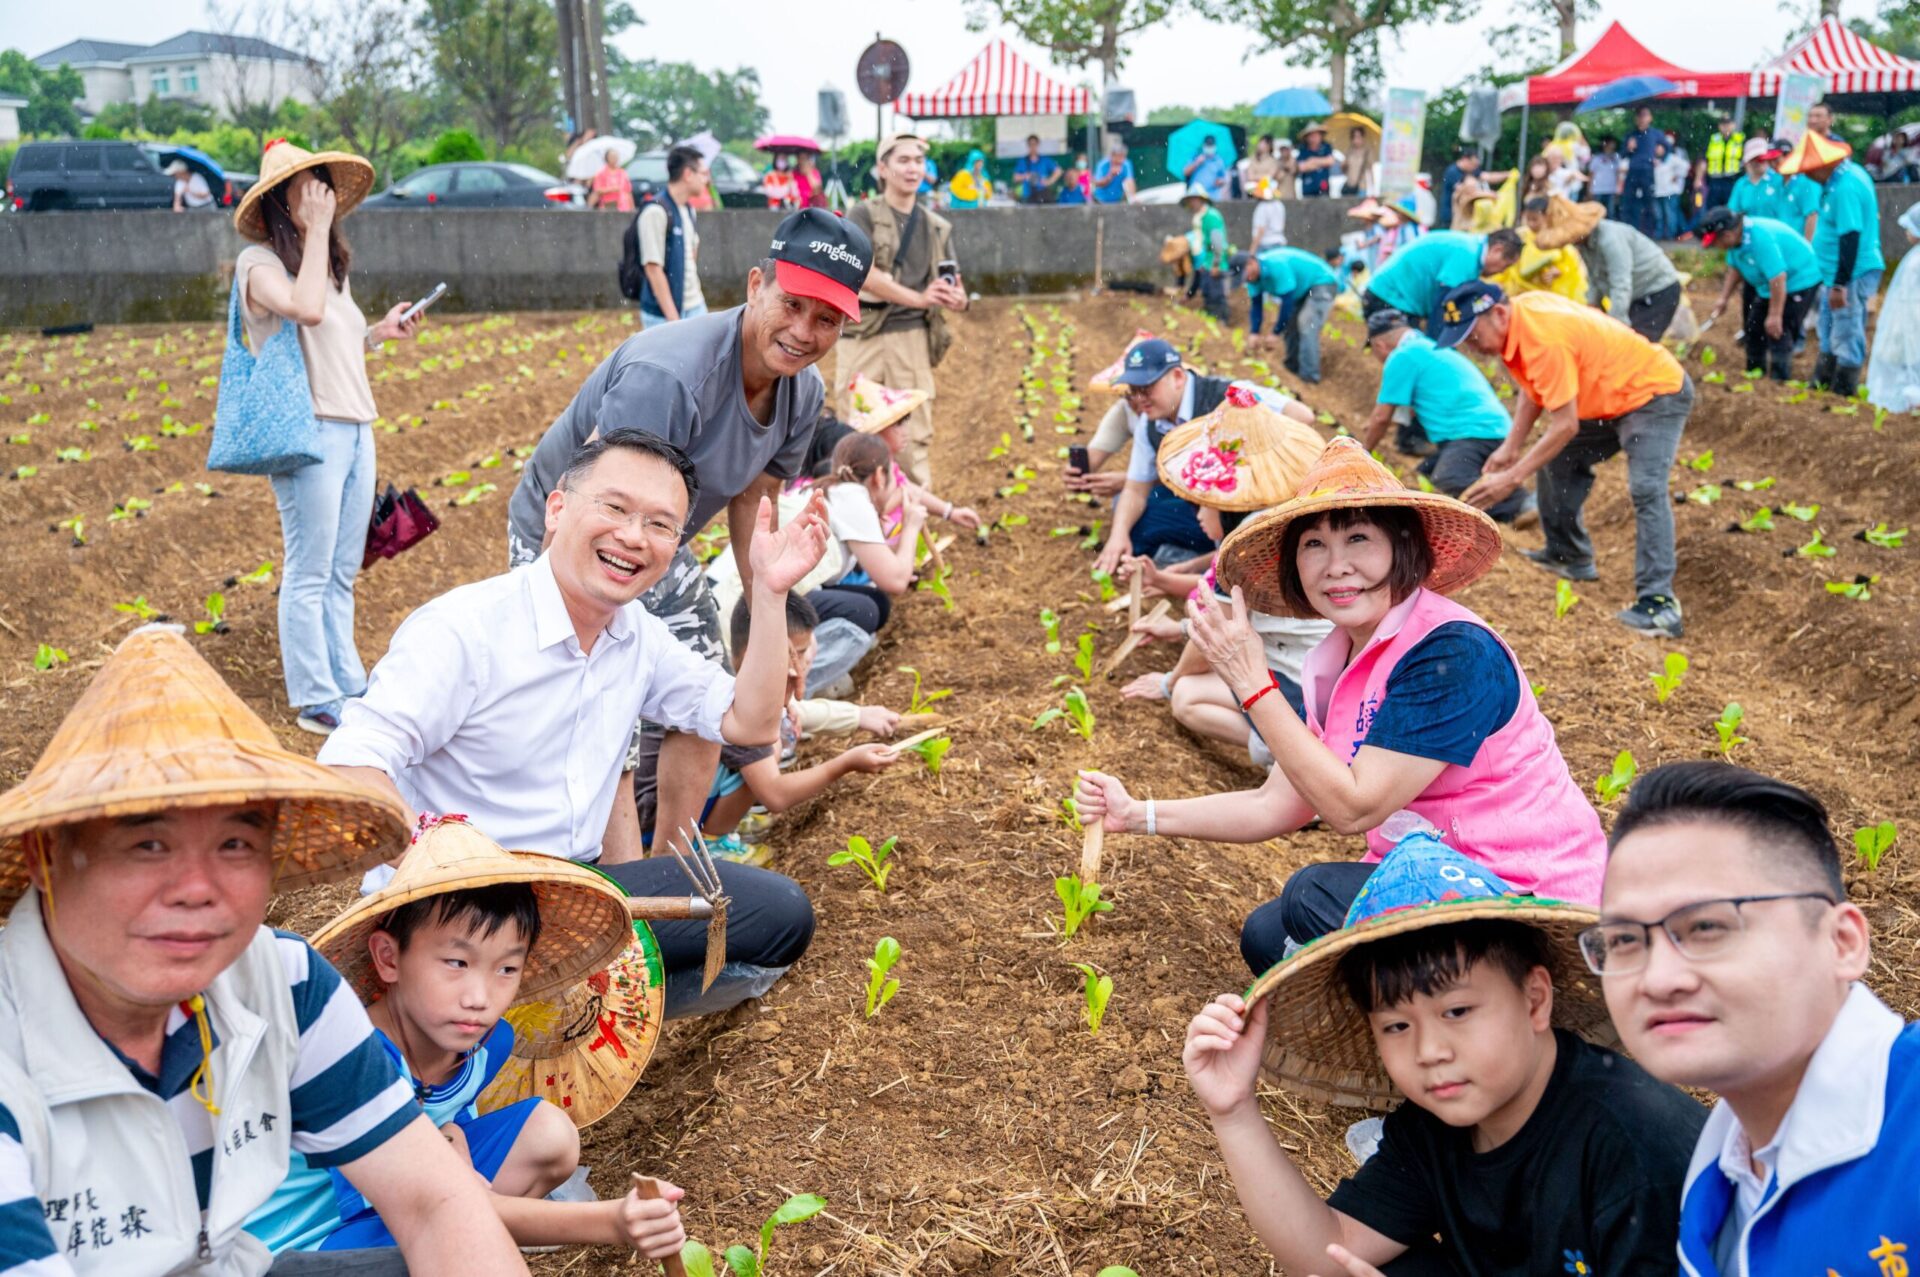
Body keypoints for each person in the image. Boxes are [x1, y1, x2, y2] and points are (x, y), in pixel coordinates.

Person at [0, 625, 526, 1276]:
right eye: (147, 844)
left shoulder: (285, 982)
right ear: (46, 857)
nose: (197, 889)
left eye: (236, 844)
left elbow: (436, 1200)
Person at [325, 429, 829, 1016]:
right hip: (455, 907)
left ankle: (597, 1017)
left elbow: (748, 721)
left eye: (661, 524)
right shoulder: (465, 629)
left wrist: (769, 594)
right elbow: (350, 761)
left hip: (575, 897)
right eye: (614, 508)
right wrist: (442, 869)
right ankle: (508, 1008)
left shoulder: (636, 634)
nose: (633, 537)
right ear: (557, 509)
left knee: (779, 915)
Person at [1078, 436, 1607, 960]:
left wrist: (1252, 681)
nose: (1336, 566)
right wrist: (1135, 814)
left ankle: (1501, 1011)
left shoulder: (1452, 651)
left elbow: (1355, 807)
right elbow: (1274, 805)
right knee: (1267, 933)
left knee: (1313, 897)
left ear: (1405, 550)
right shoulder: (1338, 661)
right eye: (1314, 545)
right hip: (1434, 881)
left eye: (1358, 539)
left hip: (1527, 900)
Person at [505, 209, 871, 861]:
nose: (803, 331)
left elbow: (754, 500)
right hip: (568, 523)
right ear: (756, 284)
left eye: (827, 320)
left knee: (705, 675)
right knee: (591, 680)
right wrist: (609, 625)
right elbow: (596, 508)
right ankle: (608, 868)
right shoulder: (671, 375)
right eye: (791, 304)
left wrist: (772, 625)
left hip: (657, 534)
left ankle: (672, 857)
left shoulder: (800, 392)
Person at [1184, 834, 1705, 1276]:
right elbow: (1329, 1250)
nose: (1429, 1051)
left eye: (1457, 1012)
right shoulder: (1438, 1126)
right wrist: (1233, 1112)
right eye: (1396, 1025)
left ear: (1535, 999)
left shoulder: (1637, 1156)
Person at [249, 815, 686, 1261]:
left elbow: (448, 1158)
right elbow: (426, 1206)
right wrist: (613, 1221)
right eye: (456, 963)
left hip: (403, 1204)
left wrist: (453, 1133)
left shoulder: (487, 1043)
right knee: (446, 1231)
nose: (479, 998)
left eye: (506, 969)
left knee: (550, 1136)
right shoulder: (354, 1058)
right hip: (310, 1247)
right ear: (388, 958)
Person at [1588, 761, 1916, 1272]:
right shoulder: (1715, 1177)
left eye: (1707, 927)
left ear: (1842, 942)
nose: (1658, 978)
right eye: (1625, 940)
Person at [230, 139, 423, 736]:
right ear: (278, 203)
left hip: (356, 425)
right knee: (309, 568)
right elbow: (305, 311)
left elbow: (333, 336)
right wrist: (314, 234)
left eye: (321, 182)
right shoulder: (258, 265)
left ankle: (350, 682)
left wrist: (380, 332)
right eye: (305, 184)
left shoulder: (330, 267)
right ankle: (316, 697)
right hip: (308, 432)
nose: (319, 193)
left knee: (342, 568)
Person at [1441, 281, 1694, 639]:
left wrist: (1512, 477)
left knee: (1646, 488)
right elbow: (1534, 390)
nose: (1471, 346)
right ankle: (1569, 556)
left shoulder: (1542, 336)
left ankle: (1660, 604)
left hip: (1653, 394)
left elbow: (1564, 425)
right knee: (1556, 461)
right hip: (1607, 399)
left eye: (1472, 334)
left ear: (1497, 313)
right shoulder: (1518, 320)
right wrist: (1511, 447)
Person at [1118, 389, 1331, 757]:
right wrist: (1176, 627)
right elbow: (1238, 609)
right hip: (1332, 678)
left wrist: (1168, 682)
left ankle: (1283, 756)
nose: (1199, 516)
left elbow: (1217, 635)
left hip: (1298, 683)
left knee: (1186, 696)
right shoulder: (1280, 518)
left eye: (1204, 505)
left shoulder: (1242, 543)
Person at [699, 594, 905, 843]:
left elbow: (803, 712)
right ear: (750, 654)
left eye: (806, 650)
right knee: (769, 743)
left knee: (775, 734)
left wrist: (857, 716)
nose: (803, 662)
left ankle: (720, 821)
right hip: (666, 817)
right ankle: (711, 840)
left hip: (678, 798)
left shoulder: (740, 681)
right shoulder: (741, 705)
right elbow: (775, 797)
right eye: (796, 653)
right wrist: (845, 764)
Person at [842, 131, 968, 488]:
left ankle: (912, 532)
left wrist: (959, 299)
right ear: (882, 168)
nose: (912, 168)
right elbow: (860, 271)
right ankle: (858, 532)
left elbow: (953, 279)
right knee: (854, 434)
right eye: (903, 160)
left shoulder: (935, 226)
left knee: (912, 442)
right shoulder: (862, 215)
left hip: (911, 340)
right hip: (860, 336)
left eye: (918, 161)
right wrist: (917, 298)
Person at [1091, 340, 1277, 572]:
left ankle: (1217, 563)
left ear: (1177, 377)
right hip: (1201, 510)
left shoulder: (1228, 396)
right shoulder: (1150, 422)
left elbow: (1302, 415)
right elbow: (1135, 488)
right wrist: (1117, 537)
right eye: (1133, 391)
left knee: (1246, 550)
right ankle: (1208, 560)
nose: (1139, 399)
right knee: (1131, 524)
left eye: (1146, 388)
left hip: (1249, 510)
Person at [1359, 308, 1535, 525]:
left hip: (1472, 432)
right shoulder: (1427, 347)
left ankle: (1520, 503)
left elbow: (1381, 418)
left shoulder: (1401, 356)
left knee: (1447, 479)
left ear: (1380, 346)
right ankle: (1501, 502)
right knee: (1422, 476)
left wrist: (1362, 453)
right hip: (1492, 429)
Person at [1780, 130, 1884, 398]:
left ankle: (1844, 389)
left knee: (1846, 329)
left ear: (1824, 165)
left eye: (1810, 170)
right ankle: (1823, 381)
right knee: (1829, 325)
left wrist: (1840, 284)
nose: (1807, 175)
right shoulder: (1841, 179)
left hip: (1852, 273)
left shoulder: (1846, 187)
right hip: (1837, 273)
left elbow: (1850, 236)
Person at [844, 372, 981, 537]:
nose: (905, 432)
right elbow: (867, 513)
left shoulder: (888, 463)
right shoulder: (864, 470)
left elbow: (907, 487)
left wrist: (950, 512)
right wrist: (902, 495)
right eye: (898, 425)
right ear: (875, 433)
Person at [812, 433, 921, 636]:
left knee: (877, 602)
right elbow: (895, 581)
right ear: (879, 476)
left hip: (767, 595)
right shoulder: (853, 499)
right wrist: (911, 527)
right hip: (776, 603)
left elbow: (878, 559)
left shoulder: (834, 490)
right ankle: (811, 665)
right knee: (866, 611)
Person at [1532, 194, 1683, 340]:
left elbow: (1621, 284)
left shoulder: (1610, 240)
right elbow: (1595, 280)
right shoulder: (1584, 244)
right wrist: (1591, 310)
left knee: (1635, 346)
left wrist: (1614, 327)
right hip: (1637, 295)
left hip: (1659, 290)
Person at [1697, 208, 1821, 382]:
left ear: (1726, 235)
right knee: (1753, 328)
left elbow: (1778, 277)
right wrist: (1723, 298)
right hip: (1769, 285)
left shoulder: (1760, 238)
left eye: (1714, 242)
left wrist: (1775, 315)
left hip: (1799, 280)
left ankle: (1779, 382)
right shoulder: (1736, 243)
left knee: (1779, 330)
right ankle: (1755, 376)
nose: (1715, 247)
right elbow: (1735, 269)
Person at [1361, 228, 1524, 333]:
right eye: (1506, 265)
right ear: (1497, 249)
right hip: (1389, 298)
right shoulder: (1467, 254)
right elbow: (1443, 304)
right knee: (1414, 360)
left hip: (1395, 298)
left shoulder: (1471, 247)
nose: (1503, 271)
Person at [637, 144, 709, 329]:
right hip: (662, 315)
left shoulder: (689, 210)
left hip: (696, 305)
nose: (706, 180)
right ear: (688, 174)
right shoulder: (655, 211)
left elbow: (692, 254)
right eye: (703, 173)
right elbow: (653, 269)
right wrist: (674, 322)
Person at [1240, 247, 1339, 382]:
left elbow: (1287, 303)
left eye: (1247, 274)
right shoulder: (1252, 278)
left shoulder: (1276, 265)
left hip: (1321, 282)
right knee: (1291, 325)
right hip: (1301, 289)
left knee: (1307, 323)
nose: (1248, 279)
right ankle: (1292, 368)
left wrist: (1275, 333)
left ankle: (1310, 376)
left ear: (1251, 263)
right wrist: (1254, 332)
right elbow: (1256, 305)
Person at [1868, 201, 1920, 413]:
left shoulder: (1915, 262)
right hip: (1909, 317)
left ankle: (1910, 394)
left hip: (1909, 318)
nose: (1907, 232)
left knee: (1907, 355)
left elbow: (1908, 297)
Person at [1182, 183, 1231, 323]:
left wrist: (1216, 263)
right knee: (1208, 294)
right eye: (1190, 200)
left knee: (1216, 296)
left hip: (1215, 262)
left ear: (1200, 200)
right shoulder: (1200, 218)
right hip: (1208, 262)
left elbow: (1217, 241)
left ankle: (1222, 322)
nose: (1191, 203)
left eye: (1194, 199)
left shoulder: (1211, 216)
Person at [1621, 106, 1665, 236]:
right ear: (1636, 118)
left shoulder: (1656, 134)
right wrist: (1629, 148)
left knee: (1649, 203)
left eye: (1645, 115)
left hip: (1648, 171)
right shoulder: (1631, 135)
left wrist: (1660, 156)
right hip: (1633, 171)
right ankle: (1630, 231)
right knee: (1629, 202)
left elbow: (1668, 150)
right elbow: (1622, 154)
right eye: (1640, 116)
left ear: (1650, 118)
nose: (1642, 118)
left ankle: (1649, 233)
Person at [1728, 137, 1794, 223]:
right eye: (1753, 159)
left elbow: (1789, 211)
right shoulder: (1741, 184)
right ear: (1747, 162)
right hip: (1748, 233)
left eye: (1760, 158)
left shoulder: (1780, 180)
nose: (1758, 162)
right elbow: (1733, 212)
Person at [1705, 114, 1745, 210]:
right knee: (1713, 210)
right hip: (1715, 180)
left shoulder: (1740, 140)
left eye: (1728, 124)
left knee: (1731, 209)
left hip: (1732, 180)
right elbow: (1704, 159)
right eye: (1723, 124)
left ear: (1733, 125)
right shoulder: (1713, 139)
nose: (1725, 127)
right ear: (1719, 126)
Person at [1435, 146, 1479, 230]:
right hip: (1449, 217)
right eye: (1473, 164)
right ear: (1465, 159)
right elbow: (1463, 189)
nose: (1474, 167)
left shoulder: (1468, 172)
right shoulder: (1452, 172)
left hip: (1459, 219)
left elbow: (1485, 175)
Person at [1655, 141, 1690, 240]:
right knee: (1660, 215)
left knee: (1670, 214)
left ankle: (1671, 235)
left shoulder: (1671, 158)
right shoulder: (1655, 160)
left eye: (1659, 147)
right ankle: (1661, 234)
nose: (1657, 150)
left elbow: (1686, 166)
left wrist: (1677, 175)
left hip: (1670, 191)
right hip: (1658, 192)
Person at [1183, 134, 1231, 204]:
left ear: (1215, 146)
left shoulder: (1218, 160)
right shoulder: (1195, 157)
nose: (1209, 147)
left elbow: (1224, 179)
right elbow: (1185, 172)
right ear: (1203, 146)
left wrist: (1220, 181)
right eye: (1208, 145)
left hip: (1213, 197)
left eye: (1211, 145)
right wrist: (1196, 163)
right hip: (1196, 196)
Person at [1013, 134, 1061, 204]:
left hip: (1043, 195)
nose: (1033, 147)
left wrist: (1049, 181)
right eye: (1030, 144)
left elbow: (1058, 171)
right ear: (1028, 145)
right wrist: (1026, 176)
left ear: (1038, 145)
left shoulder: (1045, 160)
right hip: (1028, 196)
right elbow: (1015, 178)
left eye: (1034, 144)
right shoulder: (1023, 161)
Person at [1296, 122, 1337, 197]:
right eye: (1311, 135)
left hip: (1323, 188)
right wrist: (1322, 163)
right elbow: (1301, 167)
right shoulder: (1303, 150)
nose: (1314, 138)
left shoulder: (1326, 147)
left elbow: (1330, 161)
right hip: (1308, 189)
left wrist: (1313, 161)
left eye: (1316, 135)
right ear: (1307, 138)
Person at [589, 147, 634, 212]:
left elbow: (628, 192)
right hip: (607, 205)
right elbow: (597, 190)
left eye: (616, 156)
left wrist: (632, 207)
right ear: (607, 158)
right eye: (612, 157)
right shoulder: (601, 173)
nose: (614, 159)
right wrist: (612, 189)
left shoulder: (623, 173)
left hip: (623, 206)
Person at [1092, 137, 1136, 204]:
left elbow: (1130, 181)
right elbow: (1097, 183)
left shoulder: (1126, 164)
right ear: (1112, 156)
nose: (1119, 160)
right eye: (1117, 157)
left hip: (1117, 200)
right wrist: (1110, 175)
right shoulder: (1102, 165)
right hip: (1100, 201)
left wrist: (1133, 198)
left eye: (1122, 157)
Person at [1588, 134, 1622, 218]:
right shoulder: (1596, 158)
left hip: (1611, 189)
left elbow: (1619, 173)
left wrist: (1618, 187)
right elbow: (1591, 174)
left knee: (1611, 213)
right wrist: (1589, 189)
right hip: (1597, 189)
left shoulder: (1616, 157)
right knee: (1597, 213)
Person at [1249, 180, 1288, 252]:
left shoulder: (1262, 207)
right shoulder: (1280, 205)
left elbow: (1261, 230)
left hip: (1265, 244)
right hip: (1279, 242)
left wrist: (1252, 250)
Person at [1342, 126, 1375, 197]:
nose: (1356, 140)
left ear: (1363, 138)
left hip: (1361, 186)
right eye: (1354, 137)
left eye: (1359, 137)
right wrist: (1343, 165)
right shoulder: (1349, 151)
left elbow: (1370, 170)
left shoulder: (1367, 152)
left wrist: (1373, 188)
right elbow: (1344, 171)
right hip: (1349, 185)